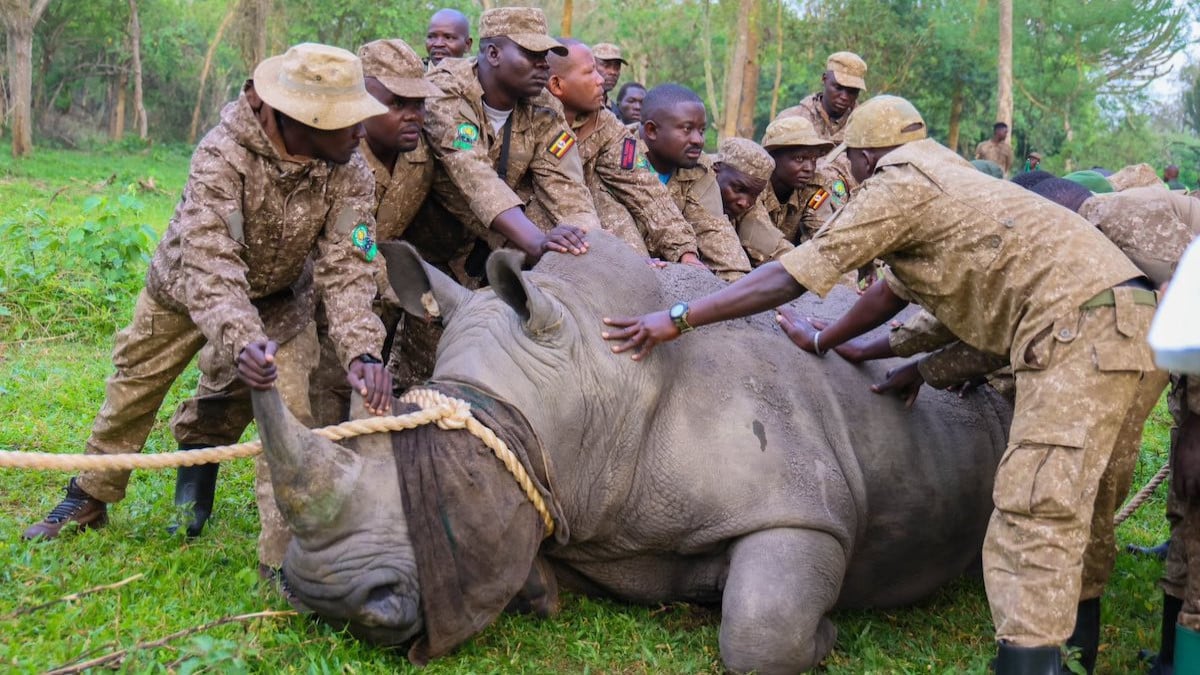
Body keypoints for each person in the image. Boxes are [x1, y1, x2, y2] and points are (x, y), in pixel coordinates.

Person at [602, 95, 1165, 674]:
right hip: (1136, 323)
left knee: (1033, 512)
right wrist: (868, 350)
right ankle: (1077, 658)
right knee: (1085, 503)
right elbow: (916, 299)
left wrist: (677, 317)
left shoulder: (900, 183)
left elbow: (794, 274)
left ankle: (1031, 663)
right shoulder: (958, 180)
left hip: (1076, 335)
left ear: (867, 156)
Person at [22, 43, 394, 577]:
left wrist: (362, 350)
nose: (361, 132)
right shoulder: (223, 154)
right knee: (134, 387)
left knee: (291, 414)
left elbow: (348, 264)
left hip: (281, 301)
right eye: (347, 122)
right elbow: (209, 259)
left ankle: (285, 560)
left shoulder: (347, 168)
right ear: (301, 119)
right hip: (184, 290)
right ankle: (89, 495)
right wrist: (242, 339)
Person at [309, 38, 444, 426]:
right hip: (328, 296)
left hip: (379, 306)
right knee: (323, 406)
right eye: (397, 104)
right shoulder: (334, 155)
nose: (413, 116)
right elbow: (344, 251)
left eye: (419, 105)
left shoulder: (422, 155)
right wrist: (408, 289)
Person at [422, 6, 596, 278]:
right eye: (531, 54)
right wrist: (537, 241)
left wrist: (589, 249)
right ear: (493, 54)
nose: (544, 64)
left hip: (495, 240)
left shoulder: (544, 104)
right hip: (431, 240)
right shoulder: (445, 89)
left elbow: (566, 186)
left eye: (545, 55)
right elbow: (474, 174)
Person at [539, 39, 702, 265]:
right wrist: (612, 256)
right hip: (534, 227)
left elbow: (642, 185)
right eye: (590, 73)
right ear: (557, 85)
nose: (601, 80)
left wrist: (685, 251)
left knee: (605, 197)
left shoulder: (604, 123)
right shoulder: (533, 117)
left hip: (585, 218)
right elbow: (560, 192)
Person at [638, 83, 751, 280]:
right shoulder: (617, 155)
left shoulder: (699, 167)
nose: (698, 140)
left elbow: (714, 231)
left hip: (667, 276)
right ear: (652, 131)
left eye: (701, 130)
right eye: (687, 129)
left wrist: (750, 292)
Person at [713, 137, 793, 266]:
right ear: (716, 168)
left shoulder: (749, 205)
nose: (745, 203)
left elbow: (773, 247)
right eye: (738, 189)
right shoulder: (694, 188)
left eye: (754, 195)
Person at [756, 115, 837, 244]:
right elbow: (757, 241)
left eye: (814, 159)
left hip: (790, 261)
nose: (809, 168)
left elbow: (821, 237)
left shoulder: (815, 187)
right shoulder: (754, 186)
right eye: (799, 158)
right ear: (772, 157)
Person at [777, 51, 867, 143]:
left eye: (852, 91)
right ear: (824, 79)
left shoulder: (865, 126)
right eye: (838, 88)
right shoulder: (791, 119)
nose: (844, 97)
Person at [592, 42, 627, 107]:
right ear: (592, 65)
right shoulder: (575, 104)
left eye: (617, 67)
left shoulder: (615, 112)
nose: (613, 72)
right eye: (606, 65)